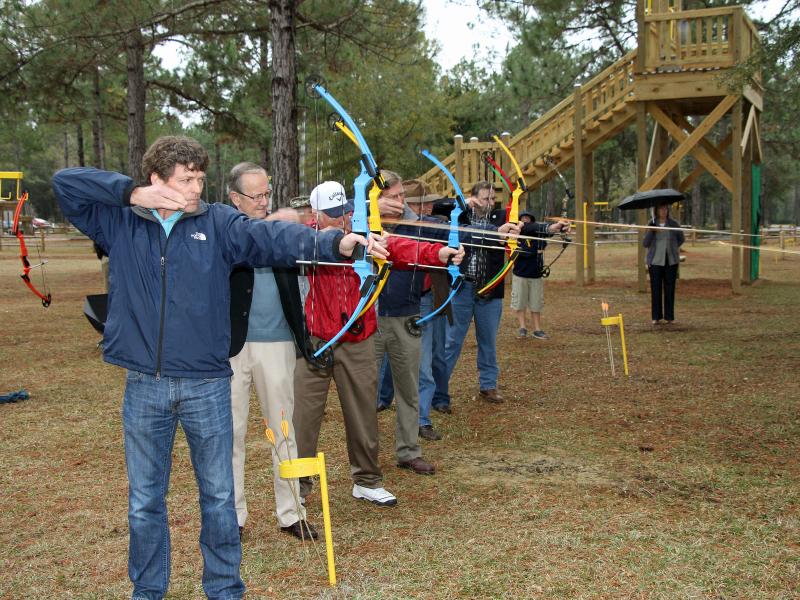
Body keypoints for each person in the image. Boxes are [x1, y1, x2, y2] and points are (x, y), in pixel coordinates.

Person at [52, 136, 384, 600]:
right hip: (145, 384)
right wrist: (130, 193)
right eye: (185, 179)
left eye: (200, 179)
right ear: (156, 180)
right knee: (145, 501)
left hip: (207, 382)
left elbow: (272, 237)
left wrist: (335, 242)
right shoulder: (119, 221)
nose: (194, 188)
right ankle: (148, 590)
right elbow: (65, 183)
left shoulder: (219, 222)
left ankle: (225, 588)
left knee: (219, 497)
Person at [293, 180, 461, 504]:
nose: (341, 219)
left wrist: (439, 253)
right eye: (332, 214)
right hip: (315, 340)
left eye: (345, 212)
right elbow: (303, 245)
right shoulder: (304, 237)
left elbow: (399, 247)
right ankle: (298, 488)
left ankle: (366, 480)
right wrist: (342, 242)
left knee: (363, 414)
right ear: (315, 213)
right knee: (305, 416)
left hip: (358, 337)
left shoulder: (366, 231)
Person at [226, 162, 317, 541]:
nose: (264, 201)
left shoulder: (280, 231)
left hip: (277, 342)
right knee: (228, 433)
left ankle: (292, 512)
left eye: (267, 193)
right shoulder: (221, 231)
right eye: (256, 195)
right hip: (228, 346)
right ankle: (231, 518)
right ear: (234, 198)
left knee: (283, 428)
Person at [441, 182, 569, 406]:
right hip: (462, 288)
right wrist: (461, 203)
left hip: (490, 289)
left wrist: (551, 229)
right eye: (484, 199)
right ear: (472, 198)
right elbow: (438, 208)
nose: (490, 203)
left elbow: (526, 227)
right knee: (452, 341)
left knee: (488, 340)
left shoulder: (501, 217)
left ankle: (488, 386)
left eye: (492, 199)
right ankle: (439, 390)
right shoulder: (459, 216)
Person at [372, 174, 463, 456]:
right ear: (376, 197)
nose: (401, 202)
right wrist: (368, 208)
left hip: (407, 312)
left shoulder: (415, 222)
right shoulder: (357, 221)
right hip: (367, 317)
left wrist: (452, 245)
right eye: (395, 196)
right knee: (365, 390)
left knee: (410, 387)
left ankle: (409, 450)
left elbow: (439, 234)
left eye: (402, 196)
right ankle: (366, 454)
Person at [643, 203, 685, 325]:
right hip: (655, 261)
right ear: (656, 210)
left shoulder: (673, 224)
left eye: (665, 208)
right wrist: (652, 231)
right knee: (656, 289)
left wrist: (672, 247)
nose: (663, 211)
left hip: (671, 261)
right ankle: (656, 316)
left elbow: (681, 239)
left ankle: (669, 316)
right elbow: (645, 243)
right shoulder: (651, 224)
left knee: (669, 288)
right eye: (661, 208)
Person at [510, 211, 548, 340]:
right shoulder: (515, 235)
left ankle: (537, 329)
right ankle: (522, 327)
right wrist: (532, 251)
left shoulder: (539, 235)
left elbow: (540, 248)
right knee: (519, 302)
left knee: (536, 304)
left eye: (528, 219)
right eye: (523, 219)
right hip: (520, 274)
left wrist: (529, 251)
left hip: (535, 275)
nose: (525, 220)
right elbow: (520, 251)